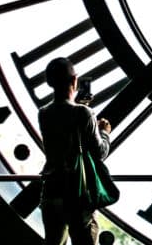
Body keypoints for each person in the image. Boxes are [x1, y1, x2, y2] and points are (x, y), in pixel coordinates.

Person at [38, 57, 112, 245]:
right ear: (74, 80)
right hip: (76, 193)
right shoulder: (83, 114)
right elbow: (100, 152)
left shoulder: (44, 113)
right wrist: (104, 132)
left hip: (51, 189)